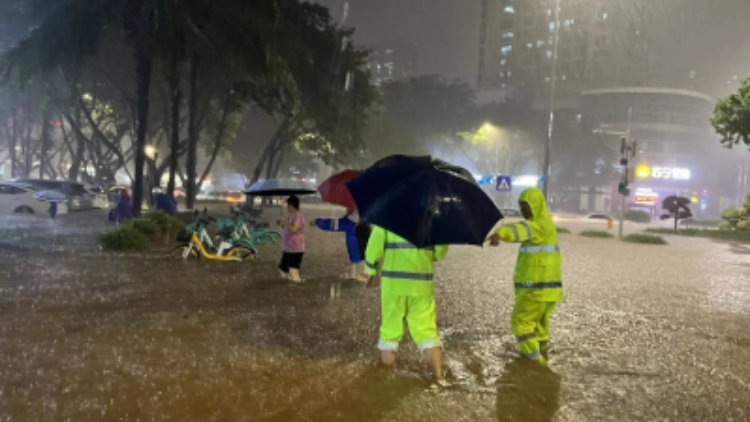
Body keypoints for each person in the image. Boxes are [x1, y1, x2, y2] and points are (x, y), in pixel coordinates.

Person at [487, 187, 562, 365]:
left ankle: (537, 366)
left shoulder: (539, 225)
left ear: (535, 205)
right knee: (539, 329)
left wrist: (500, 233)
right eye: (521, 206)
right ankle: (542, 360)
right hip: (548, 291)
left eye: (525, 206)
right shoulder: (546, 224)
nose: (523, 210)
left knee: (521, 323)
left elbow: (521, 229)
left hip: (535, 290)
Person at [365, 226, 449, 380]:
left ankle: (386, 378)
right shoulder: (432, 220)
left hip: (393, 286)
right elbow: (440, 251)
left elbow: (374, 246)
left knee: (390, 332)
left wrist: (371, 270)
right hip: (422, 286)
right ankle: (438, 376)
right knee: (427, 332)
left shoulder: (388, 216)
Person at [310, 209, 369, 282]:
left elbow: (332, 224)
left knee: (358, 277)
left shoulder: (349, 221)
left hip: (356, 254)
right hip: (365, 253)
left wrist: (317, 221)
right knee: (362, 273)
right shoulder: (366, 219)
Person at [277, 196, 306, 283]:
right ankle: (288, 285)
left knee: (293, 270)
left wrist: (285, 221)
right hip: (288, 247)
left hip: (295, 247)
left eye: (288, 205)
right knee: (282, 268)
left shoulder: (298, 216)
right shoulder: (291, 215)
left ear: (291, 205)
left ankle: (296, 286)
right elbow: (288, 229)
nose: (286, 207)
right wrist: (282, 224)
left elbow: (294, 229)